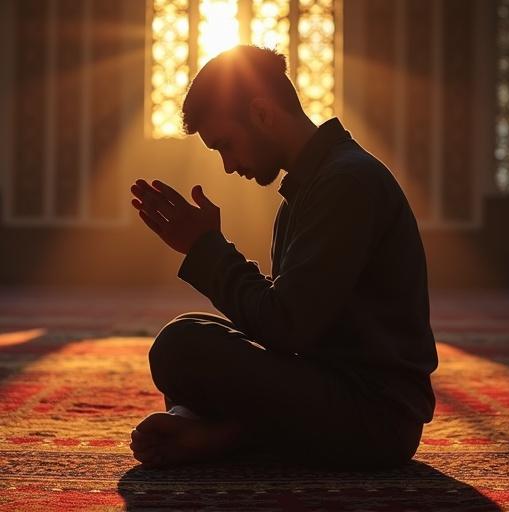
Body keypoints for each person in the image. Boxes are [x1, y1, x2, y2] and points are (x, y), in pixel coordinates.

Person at [128, 45, 439, 470]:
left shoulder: (347, 183)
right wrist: (207, 250)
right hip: (332, 392)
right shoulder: (308, 191)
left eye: (226, 145)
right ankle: (223, 433)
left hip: (375, 418)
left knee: (180, 347)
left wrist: (206, 250)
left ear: (261, 113)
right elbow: (289, 329)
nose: (228, 165)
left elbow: (287, 327)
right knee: (187, 330)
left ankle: (225, 433)